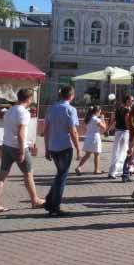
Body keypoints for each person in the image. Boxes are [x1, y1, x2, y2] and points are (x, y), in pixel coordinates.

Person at [0, 88, 45, 213]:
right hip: (18, 146)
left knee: (2, 174)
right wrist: (21, 151)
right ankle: (35, 200)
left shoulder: (10, 110)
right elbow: (20, 133)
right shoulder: (23, 112)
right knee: (28, 173)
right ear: (29, 99)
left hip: (6, 145)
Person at [43, 85, 80, 216]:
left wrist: (46, 148)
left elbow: (46, 130)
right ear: (71, 96)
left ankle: (49, 201)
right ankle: (54, 206)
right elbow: (73, 131)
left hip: (53, 146)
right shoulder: (70, 109)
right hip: (65, 146)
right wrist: (78, 147)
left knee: (60, 174)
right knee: (62, 176)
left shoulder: (51, 108)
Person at [75, 106, 106, 175]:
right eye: (100, 112)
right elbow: (104, 127)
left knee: (87, 154)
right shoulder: (96, 119)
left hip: (88, 137)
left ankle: (78, 167)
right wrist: (102, 118)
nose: (100, 113)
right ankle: (96, 170)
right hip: (95, 137)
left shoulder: (88, 118)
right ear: (97, 112)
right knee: (97, 154)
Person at [108, 95, 133, 178]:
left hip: (118, 132)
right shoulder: (128, 110)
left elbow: (113, 120)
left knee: (116, 151)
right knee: (123, 152)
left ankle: (113, 171)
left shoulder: (118, 109)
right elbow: (126, 121)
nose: (132, 102)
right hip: (125, 132)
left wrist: (108, 129)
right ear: (127, 101)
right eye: (131, 100)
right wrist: (131, 129)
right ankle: (118, 171)